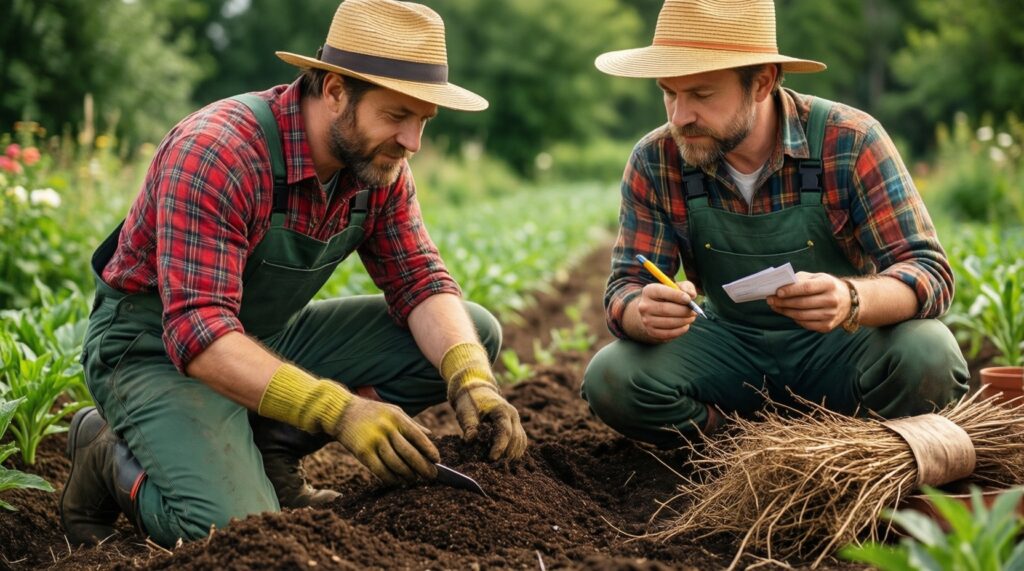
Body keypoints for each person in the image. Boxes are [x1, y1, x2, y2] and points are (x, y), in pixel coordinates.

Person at [60, 0, 527, 547]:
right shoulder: (219, 151)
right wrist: (338, 410)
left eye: (423, 121)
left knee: (471, 334)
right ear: (333, 90)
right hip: (154, 350)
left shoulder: (377, 168)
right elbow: (198, 333)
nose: (413, 142)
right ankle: (106, 455)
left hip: (258, 338)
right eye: (397, 115)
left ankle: (267, 450)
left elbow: (420, 280)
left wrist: (472, 380)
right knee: (237, 534)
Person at [581, 0, 968, 447]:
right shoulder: (656, 160)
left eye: (702, 95)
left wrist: (851, 298)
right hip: (729, 347)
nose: (679, 116)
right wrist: (642, 313)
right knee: (613, 376)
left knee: (929, 354)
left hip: (841, 348)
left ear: (763, 81)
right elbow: (625, 286)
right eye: (669, 92)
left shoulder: (850, 140)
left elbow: (929, 272)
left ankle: (855, 447)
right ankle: (736, 446)